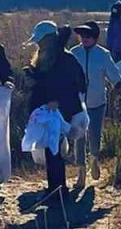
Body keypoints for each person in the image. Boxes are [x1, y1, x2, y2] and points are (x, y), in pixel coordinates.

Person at [24, 21, 86, 204]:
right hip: (50, 111)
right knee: (52, 150)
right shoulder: (49, 57)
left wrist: (58, 102)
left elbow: (76, 86)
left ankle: (58, 191)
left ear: (48, 39)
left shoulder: (65, 60)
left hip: (61, 111)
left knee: (54, 151)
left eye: (40, 40)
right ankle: (55, 189)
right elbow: (46, 83)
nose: (38, 44)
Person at [70, 21, 121, 187]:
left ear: (95, 37)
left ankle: (94, 158)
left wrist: (120, 85)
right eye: (82, 35)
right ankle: (80, 173)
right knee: (78, 137)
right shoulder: (73, 53)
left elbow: (113, 74)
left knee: (94, 136)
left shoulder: (103, 54)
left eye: (88, 35)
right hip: (77, 103)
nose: (84, 38)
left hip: (97, 102)